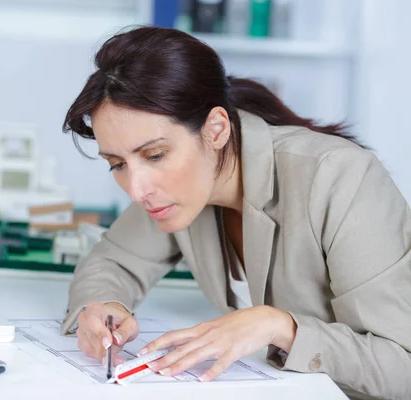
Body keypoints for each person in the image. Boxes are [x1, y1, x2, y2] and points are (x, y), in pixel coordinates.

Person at [59, 26, 411, 400]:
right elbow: (112, 263)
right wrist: (105, 309)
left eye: (155, 155)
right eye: (117, 164)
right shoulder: (175, 189)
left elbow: (402, 366)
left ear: (216, 129)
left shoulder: (340, 177)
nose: (136, 188)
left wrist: (280, 327)